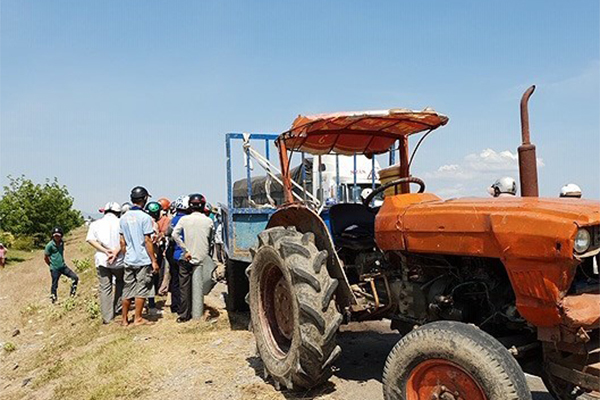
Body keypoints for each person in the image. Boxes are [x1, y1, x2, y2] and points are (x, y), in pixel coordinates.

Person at [119, 186, 160, 326]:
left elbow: (122, 241)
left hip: (129, 259)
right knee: (142, 288)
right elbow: (147, 240)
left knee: (127, 288)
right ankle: (138, 318)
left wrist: (126, 255)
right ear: (144, 199)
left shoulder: (123, 218)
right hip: (142, 259)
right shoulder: (145, 218)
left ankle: (124, 320)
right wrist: (153, 260)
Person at [172, 193, 213, 323]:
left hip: (186, 257)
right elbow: (210, 239)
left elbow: (174, 235)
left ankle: (184, 315)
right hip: (202, 257)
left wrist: (185, 249)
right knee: (200, 285)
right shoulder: (209, 221)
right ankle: (198, 313)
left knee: (184, 287)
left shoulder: (184, 220)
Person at [86, 202, 125, 324]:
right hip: (119, 260)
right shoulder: (121, 223)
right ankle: (118, 307)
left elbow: (90, 240)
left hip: (102, 259)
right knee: (121, 282)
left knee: (105, 288)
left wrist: (105, 251)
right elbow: (124, 241)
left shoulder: (95, 224)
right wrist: (115, 252)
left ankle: (107, 317)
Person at [164, 195, 189, 314]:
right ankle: (184, 308)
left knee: (174, 280)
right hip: (185, 253)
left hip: (174, 252)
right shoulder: (188, 219)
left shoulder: (173, 220)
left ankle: (175, 306)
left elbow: (167, 232)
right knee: (185, 282)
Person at [44, 227, 79, 303]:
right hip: (54, 268)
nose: (57, 237)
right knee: (54, 284)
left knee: (75, 278)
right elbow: (46, 257)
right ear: (53, 236)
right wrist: (51, 265)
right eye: (55, 235)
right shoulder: (49, 245)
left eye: (58, 235)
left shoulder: (61, 243)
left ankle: (72, 295)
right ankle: (54, 299)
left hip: (63, 266)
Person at [144, 201, 163, 315]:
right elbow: (152, 239)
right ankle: (151, 305)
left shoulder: (142, 219)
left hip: (138, 255)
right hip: (149, 255)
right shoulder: (153, 223)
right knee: (149, 281)